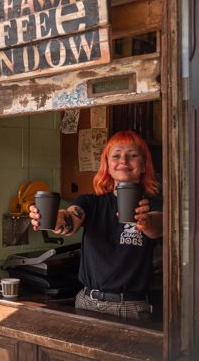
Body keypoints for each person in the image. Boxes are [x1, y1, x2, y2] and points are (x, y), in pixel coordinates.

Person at [29, 130, 162, 319]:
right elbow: (70, 219)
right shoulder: (91, 203)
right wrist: (56, 220)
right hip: (86, 302)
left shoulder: (153, 205)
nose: (123, 160)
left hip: (131, 306)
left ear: (143, 165)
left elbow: (158, 226)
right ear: (107, 165)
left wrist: (145, 221)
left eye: (132, 156)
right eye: (116, 156)